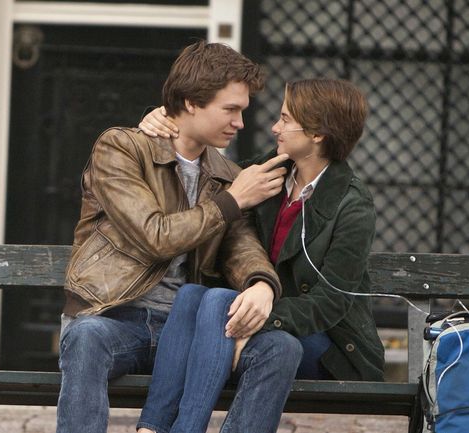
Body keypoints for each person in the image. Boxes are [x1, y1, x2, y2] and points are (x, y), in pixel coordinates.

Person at [56, 40, 292, 433]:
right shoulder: (120, 149)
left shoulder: (228, 175)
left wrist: (261, 283)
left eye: (242, 111)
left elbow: (241, 247)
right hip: (117, 319)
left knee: (278, 349)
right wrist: (231, 201)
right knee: (86, 338)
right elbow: (154, 235)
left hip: (188, 327)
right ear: (191, 102)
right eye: (230, 109)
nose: (240, 123)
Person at [137, 77, 385, 433]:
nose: (274, 127)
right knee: (192, 295)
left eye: (285, 119)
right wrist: (164, 123)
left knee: (230, 309)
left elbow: (331, 303)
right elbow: (207, 170)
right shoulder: (266, 173)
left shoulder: (352, 205)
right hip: (258, 322)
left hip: (326, 344)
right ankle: (153, 429)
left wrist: (259, 318)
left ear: (317, 134)